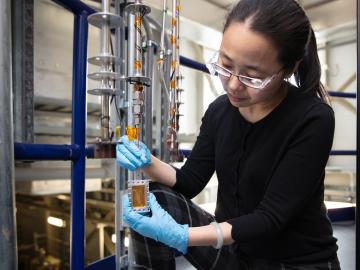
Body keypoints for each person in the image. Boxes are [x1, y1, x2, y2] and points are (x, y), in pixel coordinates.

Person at [117, 0, 341, 269]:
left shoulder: (313, 118)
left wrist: (180, 236)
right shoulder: (219, 111)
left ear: (290, 69)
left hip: (296, 262)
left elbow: (270, 218)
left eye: (252, 76)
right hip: (236, 253)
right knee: (156, 200)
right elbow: (190, 181)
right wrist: (146, 161)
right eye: (225, 65)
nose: (233, 85)